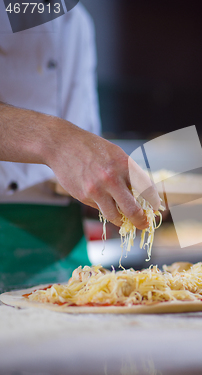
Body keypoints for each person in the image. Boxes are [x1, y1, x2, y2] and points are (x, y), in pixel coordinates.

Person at [0, 4, 159, 291]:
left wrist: (117, 197)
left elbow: (78, 172)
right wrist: (55, 141)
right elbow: (67, 147)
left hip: (64, 252)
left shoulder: (76, 20)